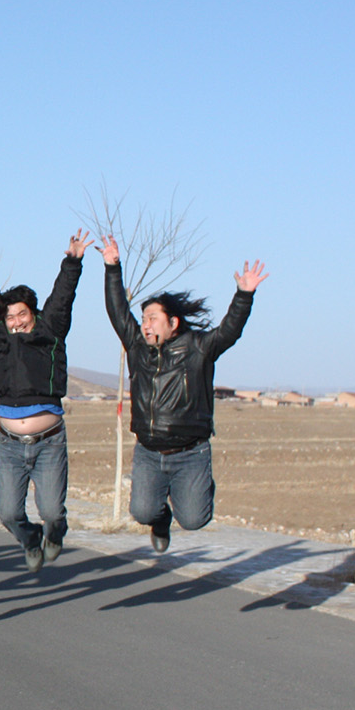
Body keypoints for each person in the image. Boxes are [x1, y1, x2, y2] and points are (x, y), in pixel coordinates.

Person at [102, 237, 267, 553]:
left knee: (194, 520)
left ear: (173, 323)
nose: (145, 325)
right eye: (144, 319)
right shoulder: (138, 348)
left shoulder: (199, 348)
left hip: (191, 453)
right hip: (149, 451)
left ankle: (200, 488)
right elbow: (117, 310)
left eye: (152, 319)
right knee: (143, 512)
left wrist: (244, 295)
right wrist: (112, 268)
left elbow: (229, 330)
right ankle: (161, 520)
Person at [0, 223, 86, 572]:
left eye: (22, 314)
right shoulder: (0, 336)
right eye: (10, 316)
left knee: (51, 511)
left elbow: (62, 297)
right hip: (10, 443)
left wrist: (73, 262)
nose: (16, 321)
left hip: (49, 441)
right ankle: (30, 539)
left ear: (32, 313)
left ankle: (54, 532)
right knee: (7, 513)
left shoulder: (50, 331)